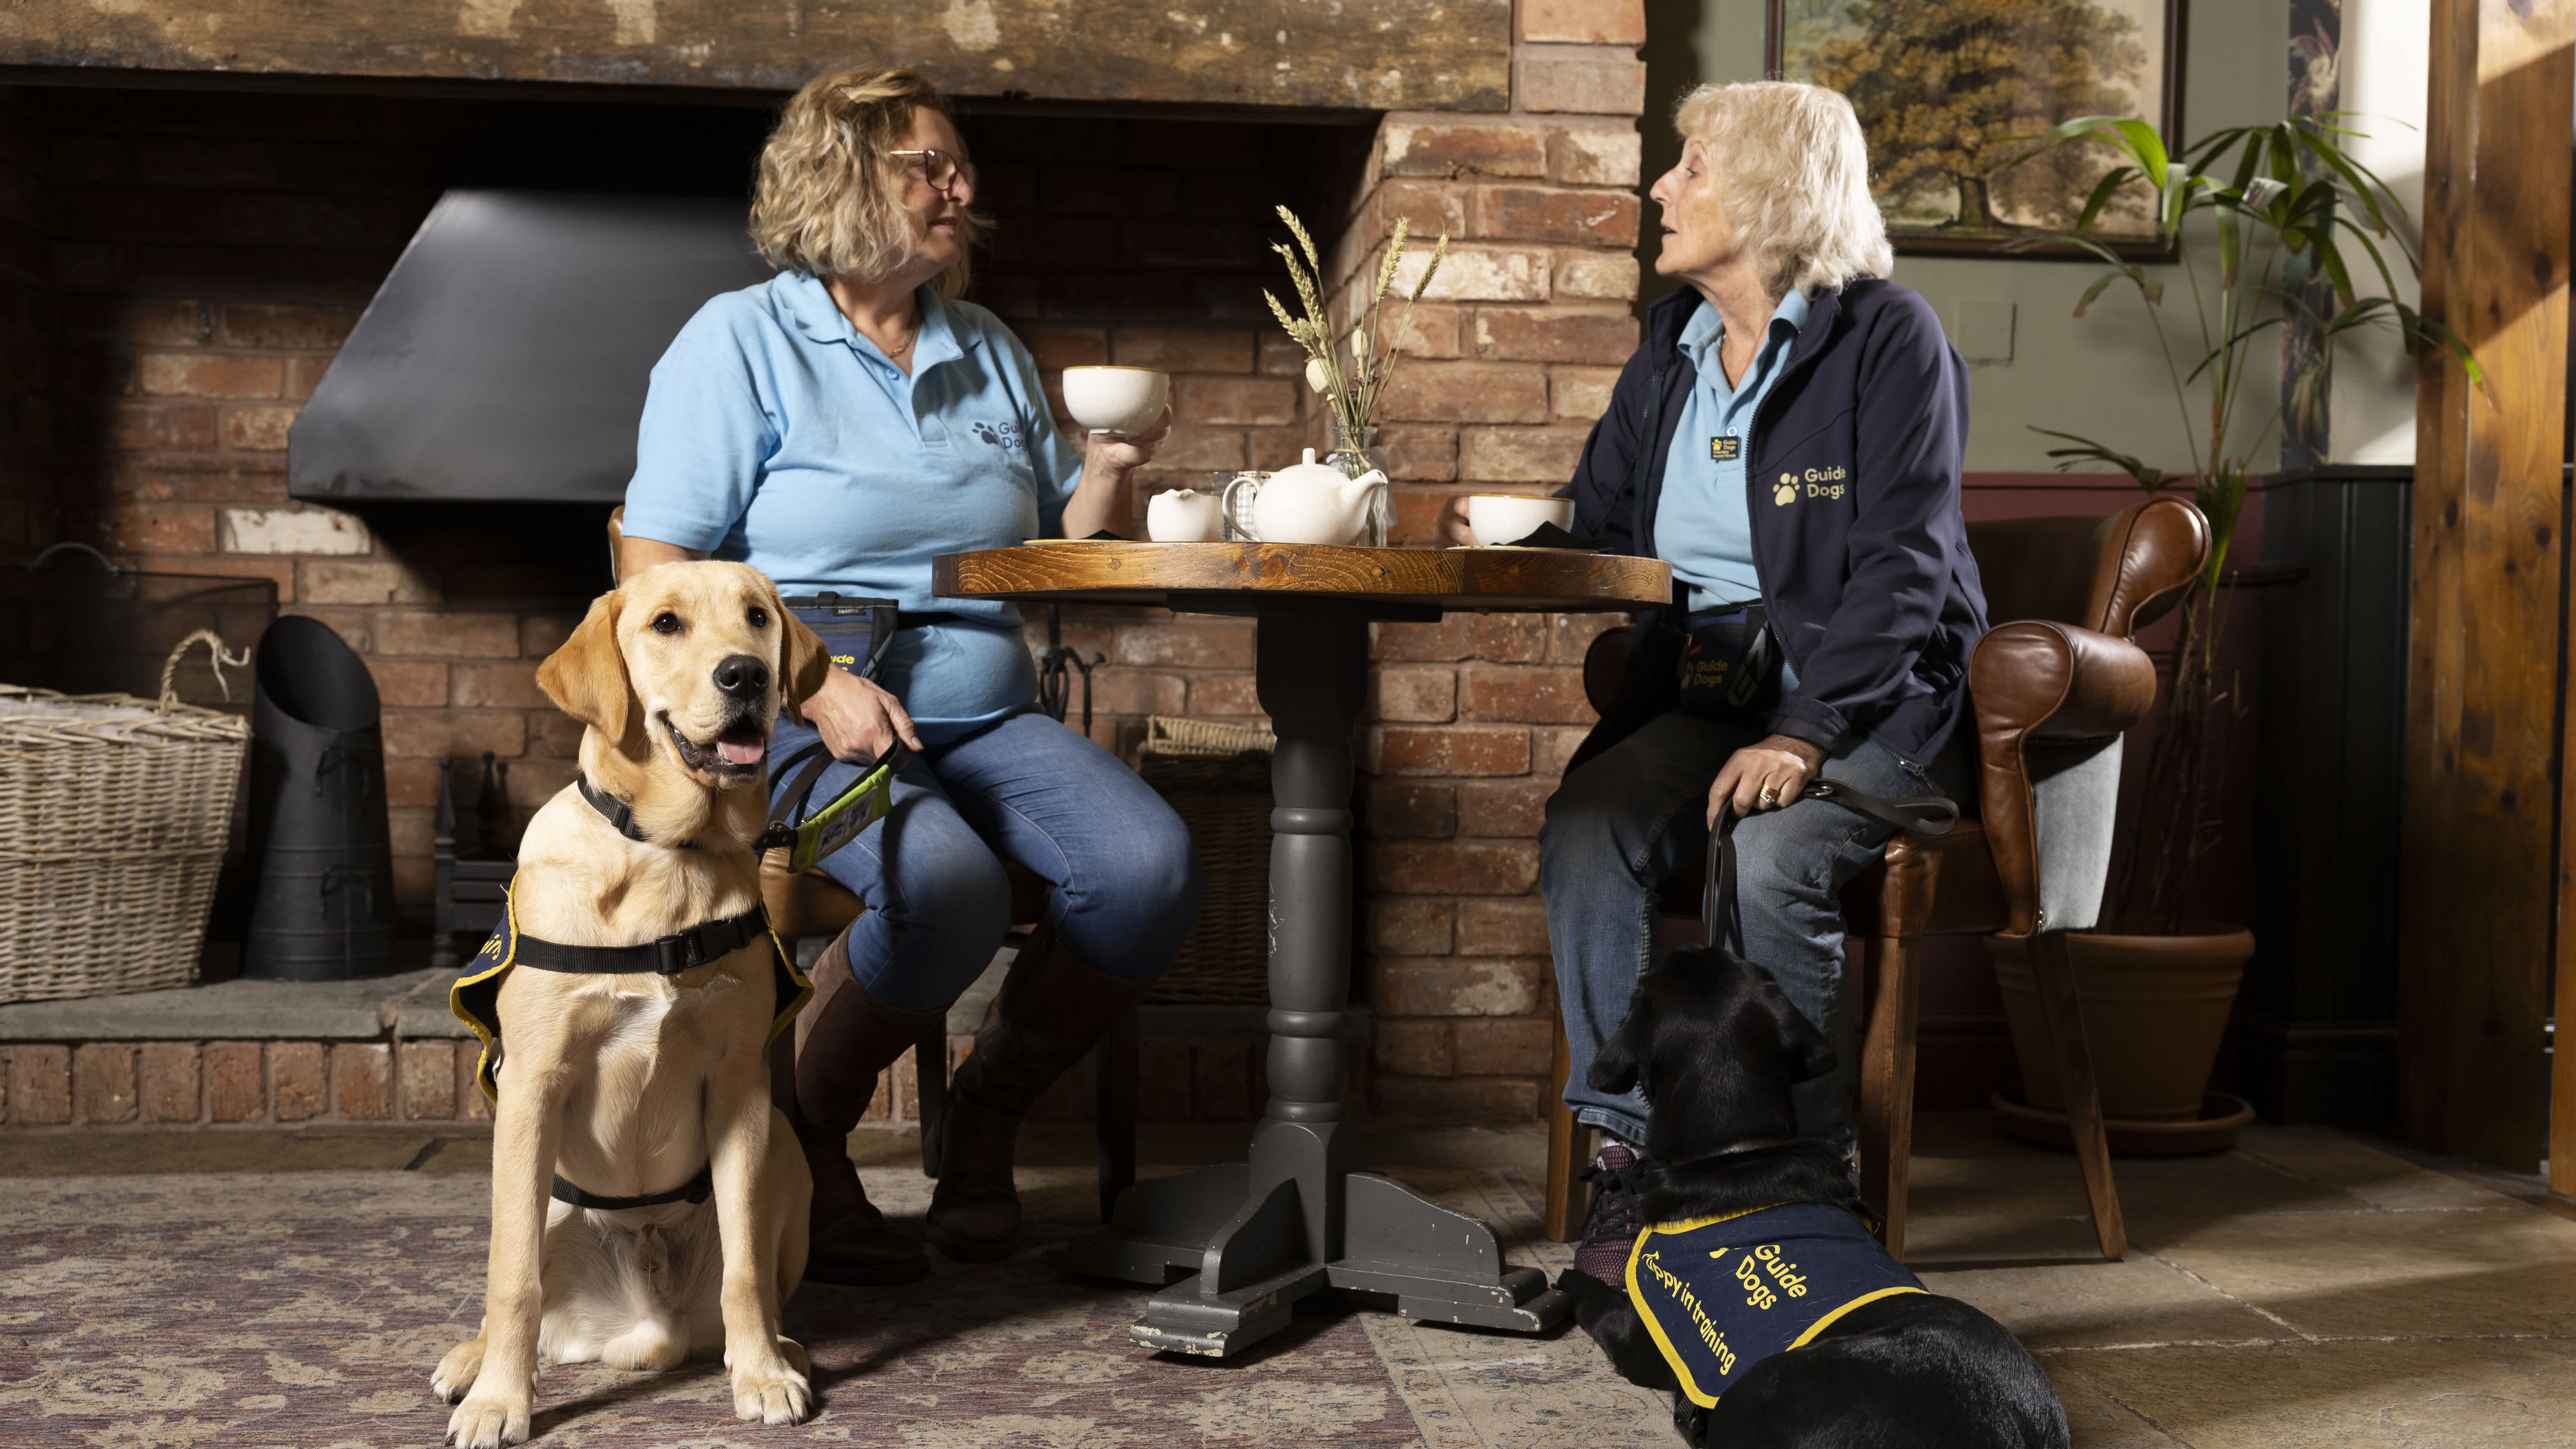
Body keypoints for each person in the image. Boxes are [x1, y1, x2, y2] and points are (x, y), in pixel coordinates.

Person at [618, 68, 1201, 1282]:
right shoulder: (743, 340)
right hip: (794, 703)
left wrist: (1107, 469)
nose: (962, 187)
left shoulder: (983, 347)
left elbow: (1050, 557)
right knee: (947, 886)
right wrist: (809, 681)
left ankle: (984, 1116)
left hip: (980, 706)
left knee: (1149, 870)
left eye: (958, 165)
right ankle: (808, 1135)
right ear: (840, 179)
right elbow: (656, 573)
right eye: (927, 167)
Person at [1438, 82, 1988, 1285]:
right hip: (1709, 697)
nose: (1661, 188)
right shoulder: (1670, 347)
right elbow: (1606, 524)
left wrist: (1803, 734)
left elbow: (1905, 569)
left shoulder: (1888, 339)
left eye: (1691, 166)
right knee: (1588, 828)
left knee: (1773, 850)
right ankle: (1631, 1165)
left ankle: (1805, 1187)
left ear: (1775, 192)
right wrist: (1489, 544)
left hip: (1872, 703)